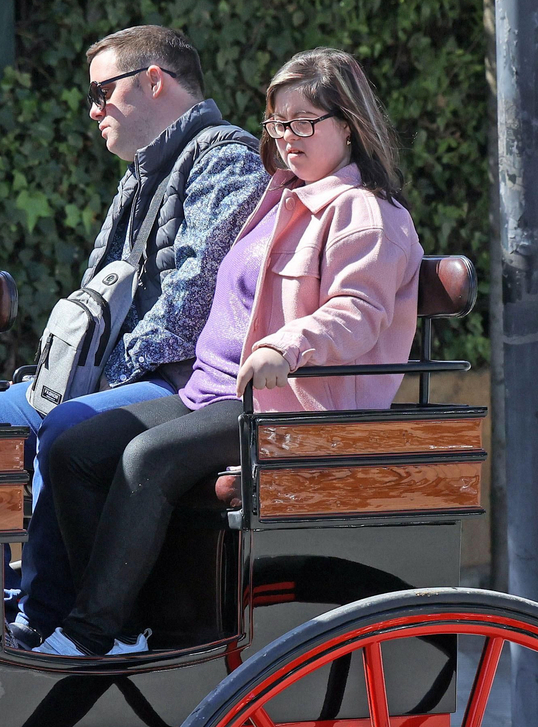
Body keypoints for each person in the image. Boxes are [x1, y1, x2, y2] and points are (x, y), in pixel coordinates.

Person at [34, 47, 423, 656]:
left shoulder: (367, 214)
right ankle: (127, 623)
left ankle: (91, 633)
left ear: (348, 125)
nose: (287, 137)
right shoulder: (281, 196)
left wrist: (287, 348)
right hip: (210, 393)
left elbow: (357, 312)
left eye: (304, 122)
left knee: (145, 459)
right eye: (278, 122)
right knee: (75, 449)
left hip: (289, 408)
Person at [0, 26, 271, 648]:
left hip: (180, 384)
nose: (92, 110)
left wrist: (90, 386)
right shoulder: (143, 172)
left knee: (69, 425)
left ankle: (48, 616)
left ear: (153, 81)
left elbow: (189, 306)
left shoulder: (227, 160)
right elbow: (97, 290)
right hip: (119, 375)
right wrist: (59, 379)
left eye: (101, 92)